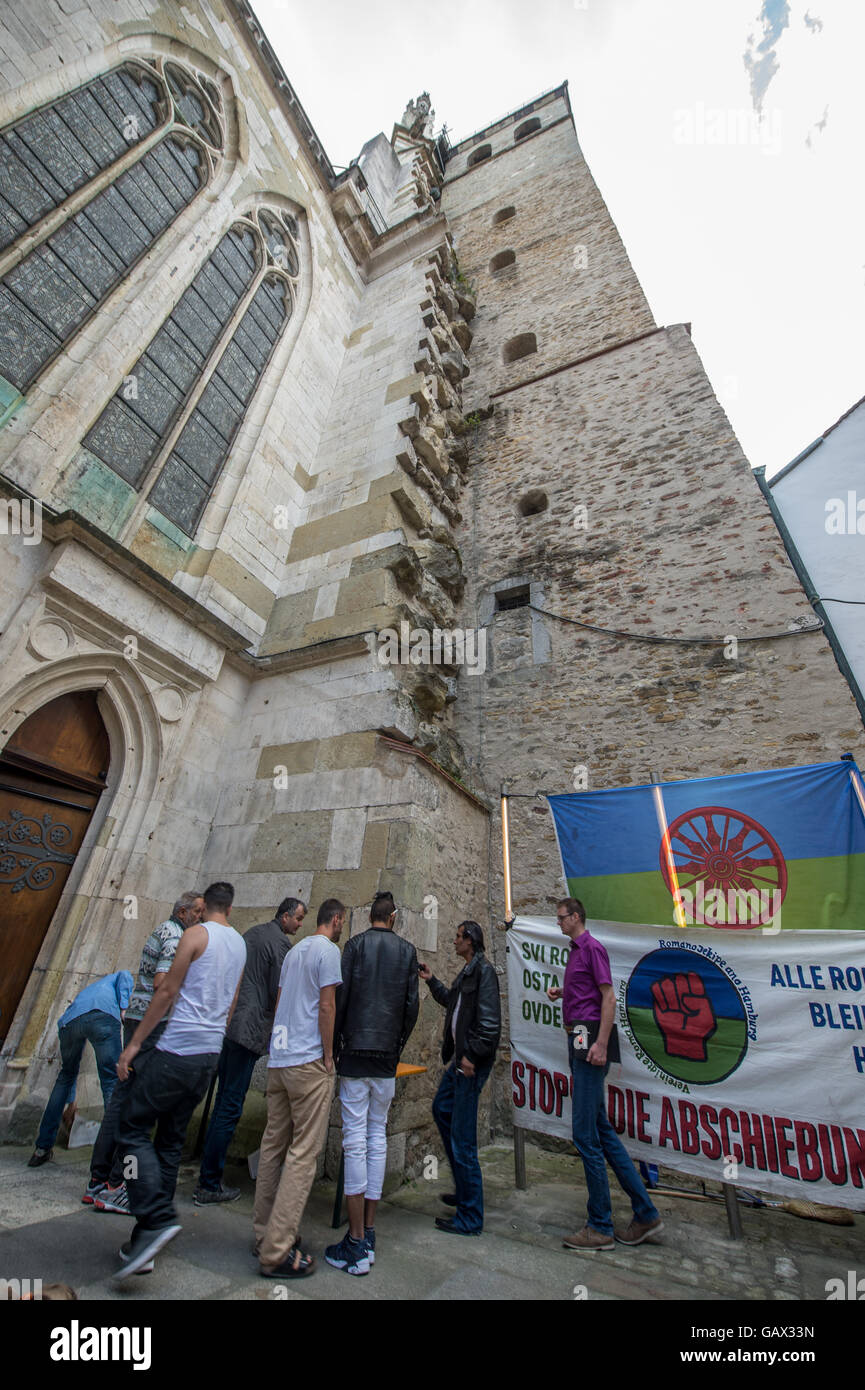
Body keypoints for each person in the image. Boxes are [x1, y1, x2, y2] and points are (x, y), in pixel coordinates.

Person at [112, 881, 247, 1279]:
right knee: (170, 1141)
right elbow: (233, 1001)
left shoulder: (195, 934)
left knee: (131, 1126)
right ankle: (147, 1240)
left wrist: (134, 1045)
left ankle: (154, 1217)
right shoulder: (240, 945)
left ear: (205, 907)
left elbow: (167, 990)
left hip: (178, 1050)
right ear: (231, 908)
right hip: (209, 1055)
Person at [547, 897, 663, 1251]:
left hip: (588, 1034)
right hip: (579, 1031)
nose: (559, 923)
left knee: (585, 1135)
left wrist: (599, 1044)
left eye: (562, 918)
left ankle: (599, 1225)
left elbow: (608, 998)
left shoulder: (592, 948)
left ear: (577, 917)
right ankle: (645, 1212)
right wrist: (563, 992)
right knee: (600, 1129)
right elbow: (584, 993)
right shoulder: (576, 951)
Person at [83, 890, 204, 1212]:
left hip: (136, 1019)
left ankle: (97, 1180)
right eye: (198, 912)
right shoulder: (177, 937)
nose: (201, 918)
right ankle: (117, 1183)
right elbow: (164, 981)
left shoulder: (162, 930)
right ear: (183, 911)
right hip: (152, 1025)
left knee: (122, 1099)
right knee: (138, 1105)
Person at [326, 890, 419, 1276]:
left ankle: (355, 1241)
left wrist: (336, 1046)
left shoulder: (355, 946)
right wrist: (397, 1045)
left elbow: (341, 999)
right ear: (394, 916)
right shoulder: (407, 952)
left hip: (355, 1054)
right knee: (376, 1137)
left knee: (354, 1140)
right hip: (384, 1058)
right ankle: (370, 1232)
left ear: (371, 916)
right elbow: (411, 1007)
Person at [253, 898, 345, 1279]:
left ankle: (264, 1235)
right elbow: (327, 1007)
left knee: (273, 1146)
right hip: (308, 1061)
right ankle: (277, 1250)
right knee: (304, 1154)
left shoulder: (293, 954)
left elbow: (279, 1003)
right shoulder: (328, 951)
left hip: (280, 1059)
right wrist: (328, 1055)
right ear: (337, 920)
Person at [194, 896, 307, 1205]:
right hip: (249, 1030)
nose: (299, 925)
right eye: (298, 919)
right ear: (285, 917)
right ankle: (208, 1183)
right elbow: (278, 992)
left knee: (221, 1103)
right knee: (230, 1105)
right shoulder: (280, 946)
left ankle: (207, 1172)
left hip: (229, 1025)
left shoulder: (252, 934)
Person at [420, 920, 501, 1237]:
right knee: (442, 1110)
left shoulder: (484, 972)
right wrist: (431, 981)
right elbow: (453, 1003)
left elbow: (490, 1025)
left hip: (470, 1064)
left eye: (457, 937)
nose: (453, 942)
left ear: (471, 940)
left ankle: (470, 1216)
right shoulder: (468, 971)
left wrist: (472, 1056)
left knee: (463, 1139)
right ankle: (466, 1191)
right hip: (460, 1061)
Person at [28, 969, 134, 1168]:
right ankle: (113, 1155)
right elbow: (125, 977)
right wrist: (124, 1008)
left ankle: (41, 1149)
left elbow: (71, 1071)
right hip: (104, 1015)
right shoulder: (115, 979)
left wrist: (71, 1101)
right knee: (111, 1080)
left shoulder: (87, 992)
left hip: (69, 1023)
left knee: (66, 1075)